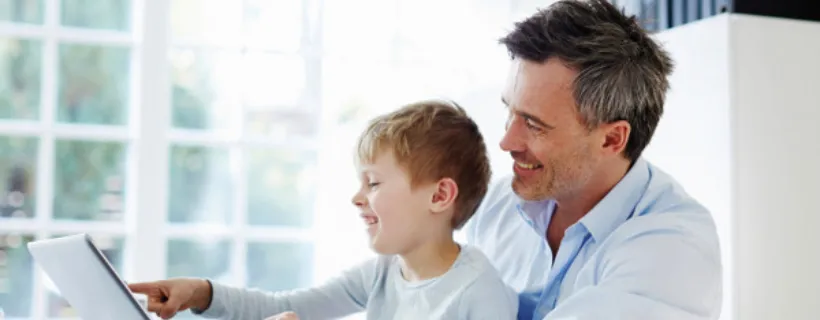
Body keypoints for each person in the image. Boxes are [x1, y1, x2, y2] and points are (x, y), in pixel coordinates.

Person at [129, 100, 518, 319]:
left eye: (374, 183)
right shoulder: (384, 273)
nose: (357, 197)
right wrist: (200, 293)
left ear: (439, 196)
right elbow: (287, 307)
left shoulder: (478, 292)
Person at [463, 0, 722, 319]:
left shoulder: (673, 247)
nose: (506, 142)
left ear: (612, 139)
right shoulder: (496, 206)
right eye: (510, 112)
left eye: (533, 124)